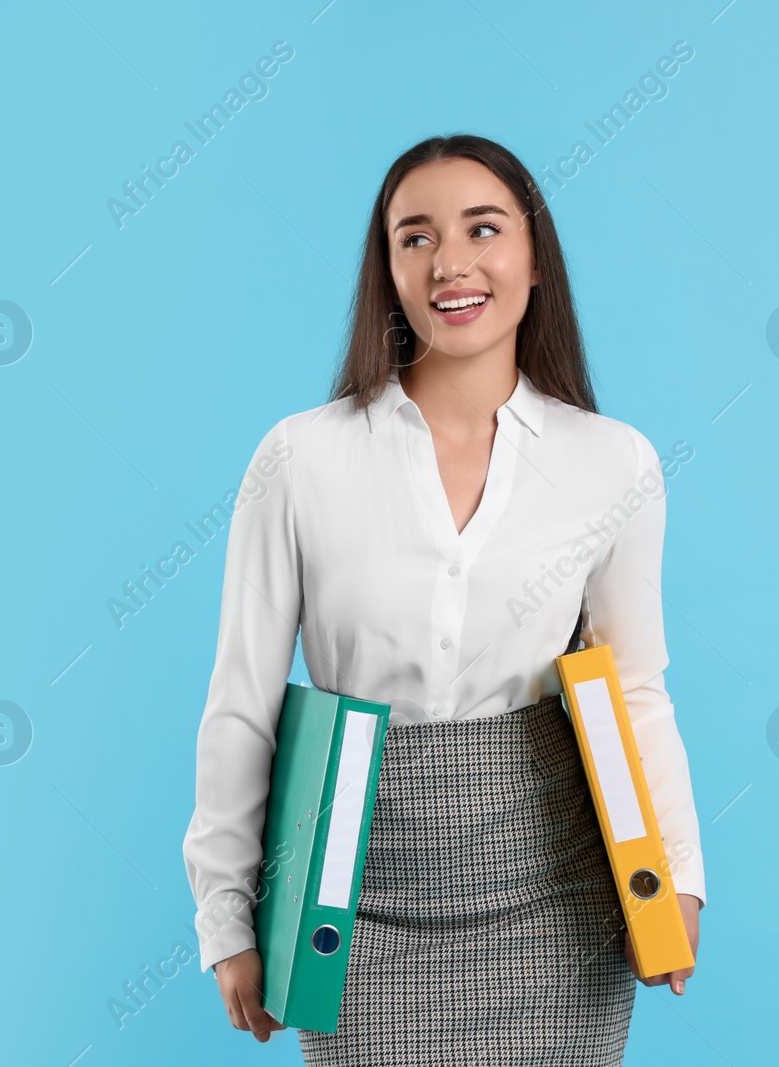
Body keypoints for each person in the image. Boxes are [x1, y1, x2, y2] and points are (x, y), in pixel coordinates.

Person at [181, 133, 706, 1064]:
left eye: (483, 229)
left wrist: (676, 884)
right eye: (414, 237)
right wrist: (226, 913)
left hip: (559, 897)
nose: (450, 263)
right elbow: (241, 704)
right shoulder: (300, 459)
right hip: (351, 902)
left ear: (534, 259)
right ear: (386, 269)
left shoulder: (611, 461)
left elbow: (637, 690)